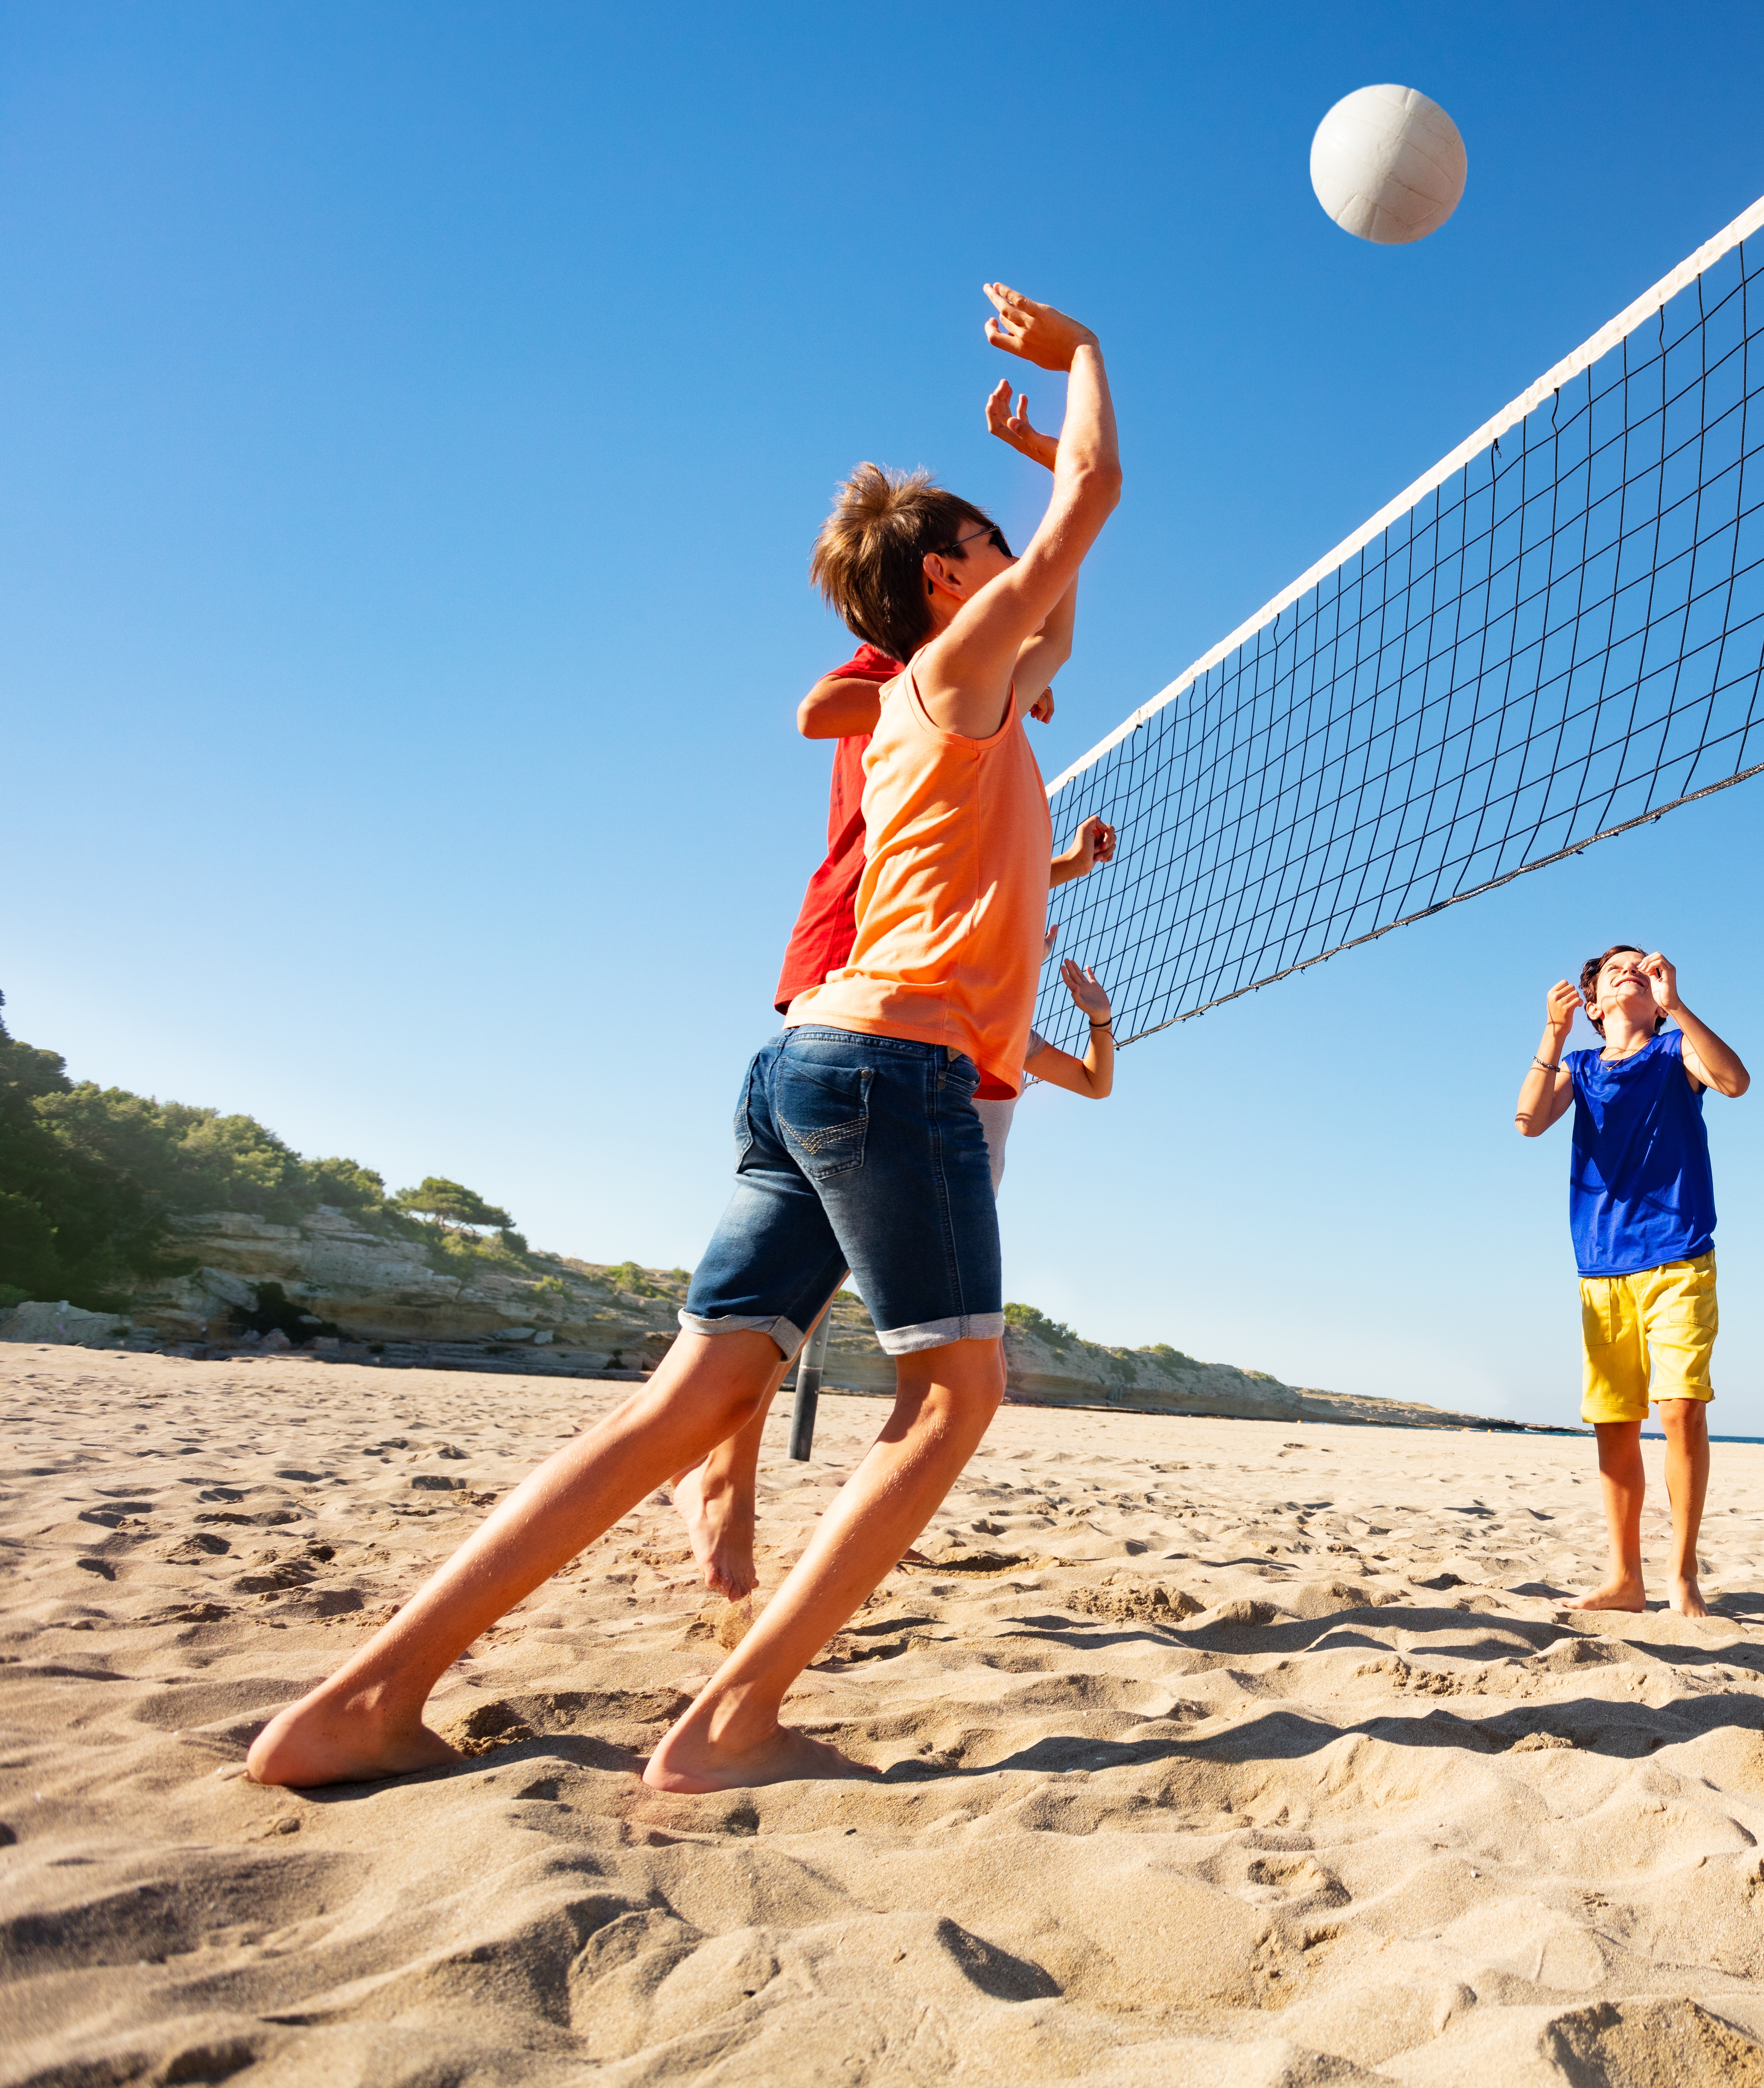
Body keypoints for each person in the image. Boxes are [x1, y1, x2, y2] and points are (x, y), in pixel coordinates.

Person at [248, 282, 1121, 1793]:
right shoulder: (958, 672)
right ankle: (731, 1723)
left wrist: (1038, 469)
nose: (1014, 570)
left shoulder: (952, 697)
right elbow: (1092, 512)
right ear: (941, 575)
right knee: (953, 1397)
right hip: (892, 1071)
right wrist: (1090, 363)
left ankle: (361, 1698)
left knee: (691, 1395)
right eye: (984, 548)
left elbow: (1064, 570)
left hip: (802, 1065)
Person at [666, 580, 1120, 1603]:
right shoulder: (920, 682)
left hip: (930, 1016)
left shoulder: (980, 749)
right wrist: (956, 674)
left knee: (822, 1293)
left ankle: (774, 1491)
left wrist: (1068, 869)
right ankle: (730, 1474)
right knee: (887, 1337)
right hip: (861, 979)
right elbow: (819, 712)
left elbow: (988, 878)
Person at [1514, 946, 1751, 1617]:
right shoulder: (1581, 1066)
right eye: (1614, 968)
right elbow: (1529, 1121)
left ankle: (1681, 1575)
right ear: (1594, 1005)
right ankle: (1625, 1579)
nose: (1629, 970)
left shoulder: (1676, 1050)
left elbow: (1736, 1083)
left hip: (1678, 1255)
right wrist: (1552, 1034)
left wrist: (1676, 1003)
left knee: (1679, 1410)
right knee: (1615, 1427)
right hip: (1601, 1265)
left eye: (1639, 966)